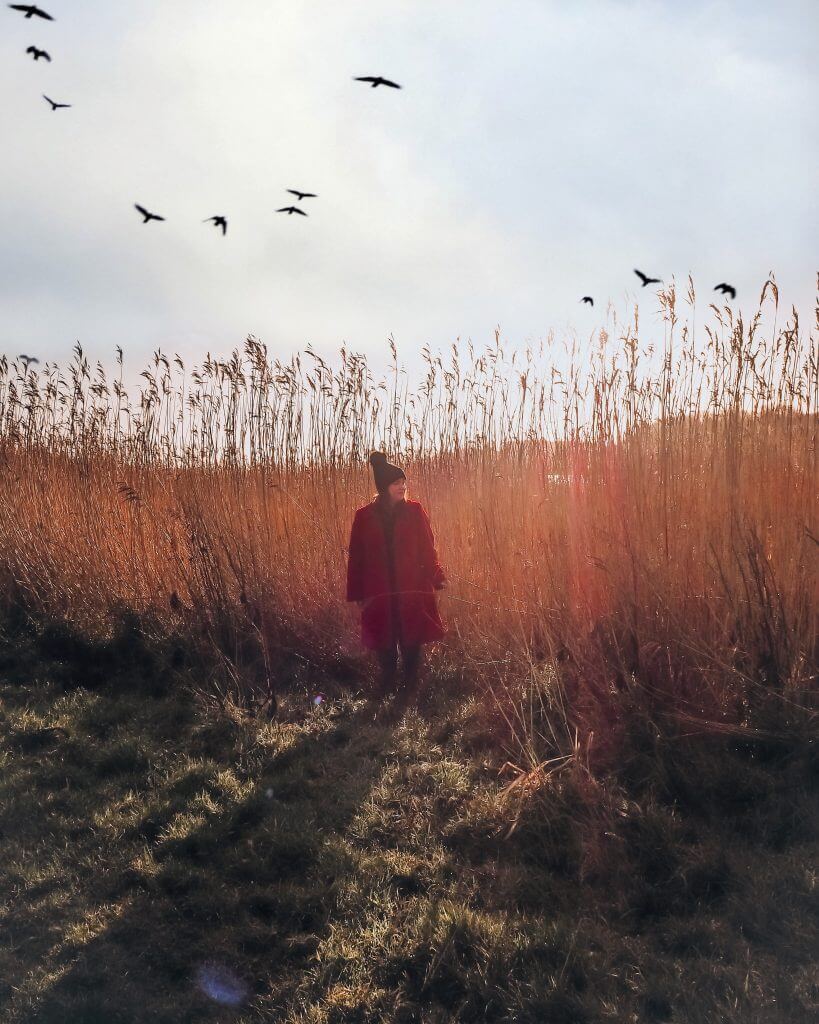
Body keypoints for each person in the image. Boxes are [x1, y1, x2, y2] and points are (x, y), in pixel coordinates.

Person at [346, 451, 447, 703]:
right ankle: (386, 685)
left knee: (412, 639)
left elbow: (428, 547)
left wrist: (436, 575)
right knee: (384, 642)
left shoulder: (414, 511)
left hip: (411, 587)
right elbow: (356, 556)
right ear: (384, 487)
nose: (402, 486)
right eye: (396, 483)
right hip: (378, 590)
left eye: (404, 482)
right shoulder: (364, 516)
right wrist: (358, 592)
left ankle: (410, 689)